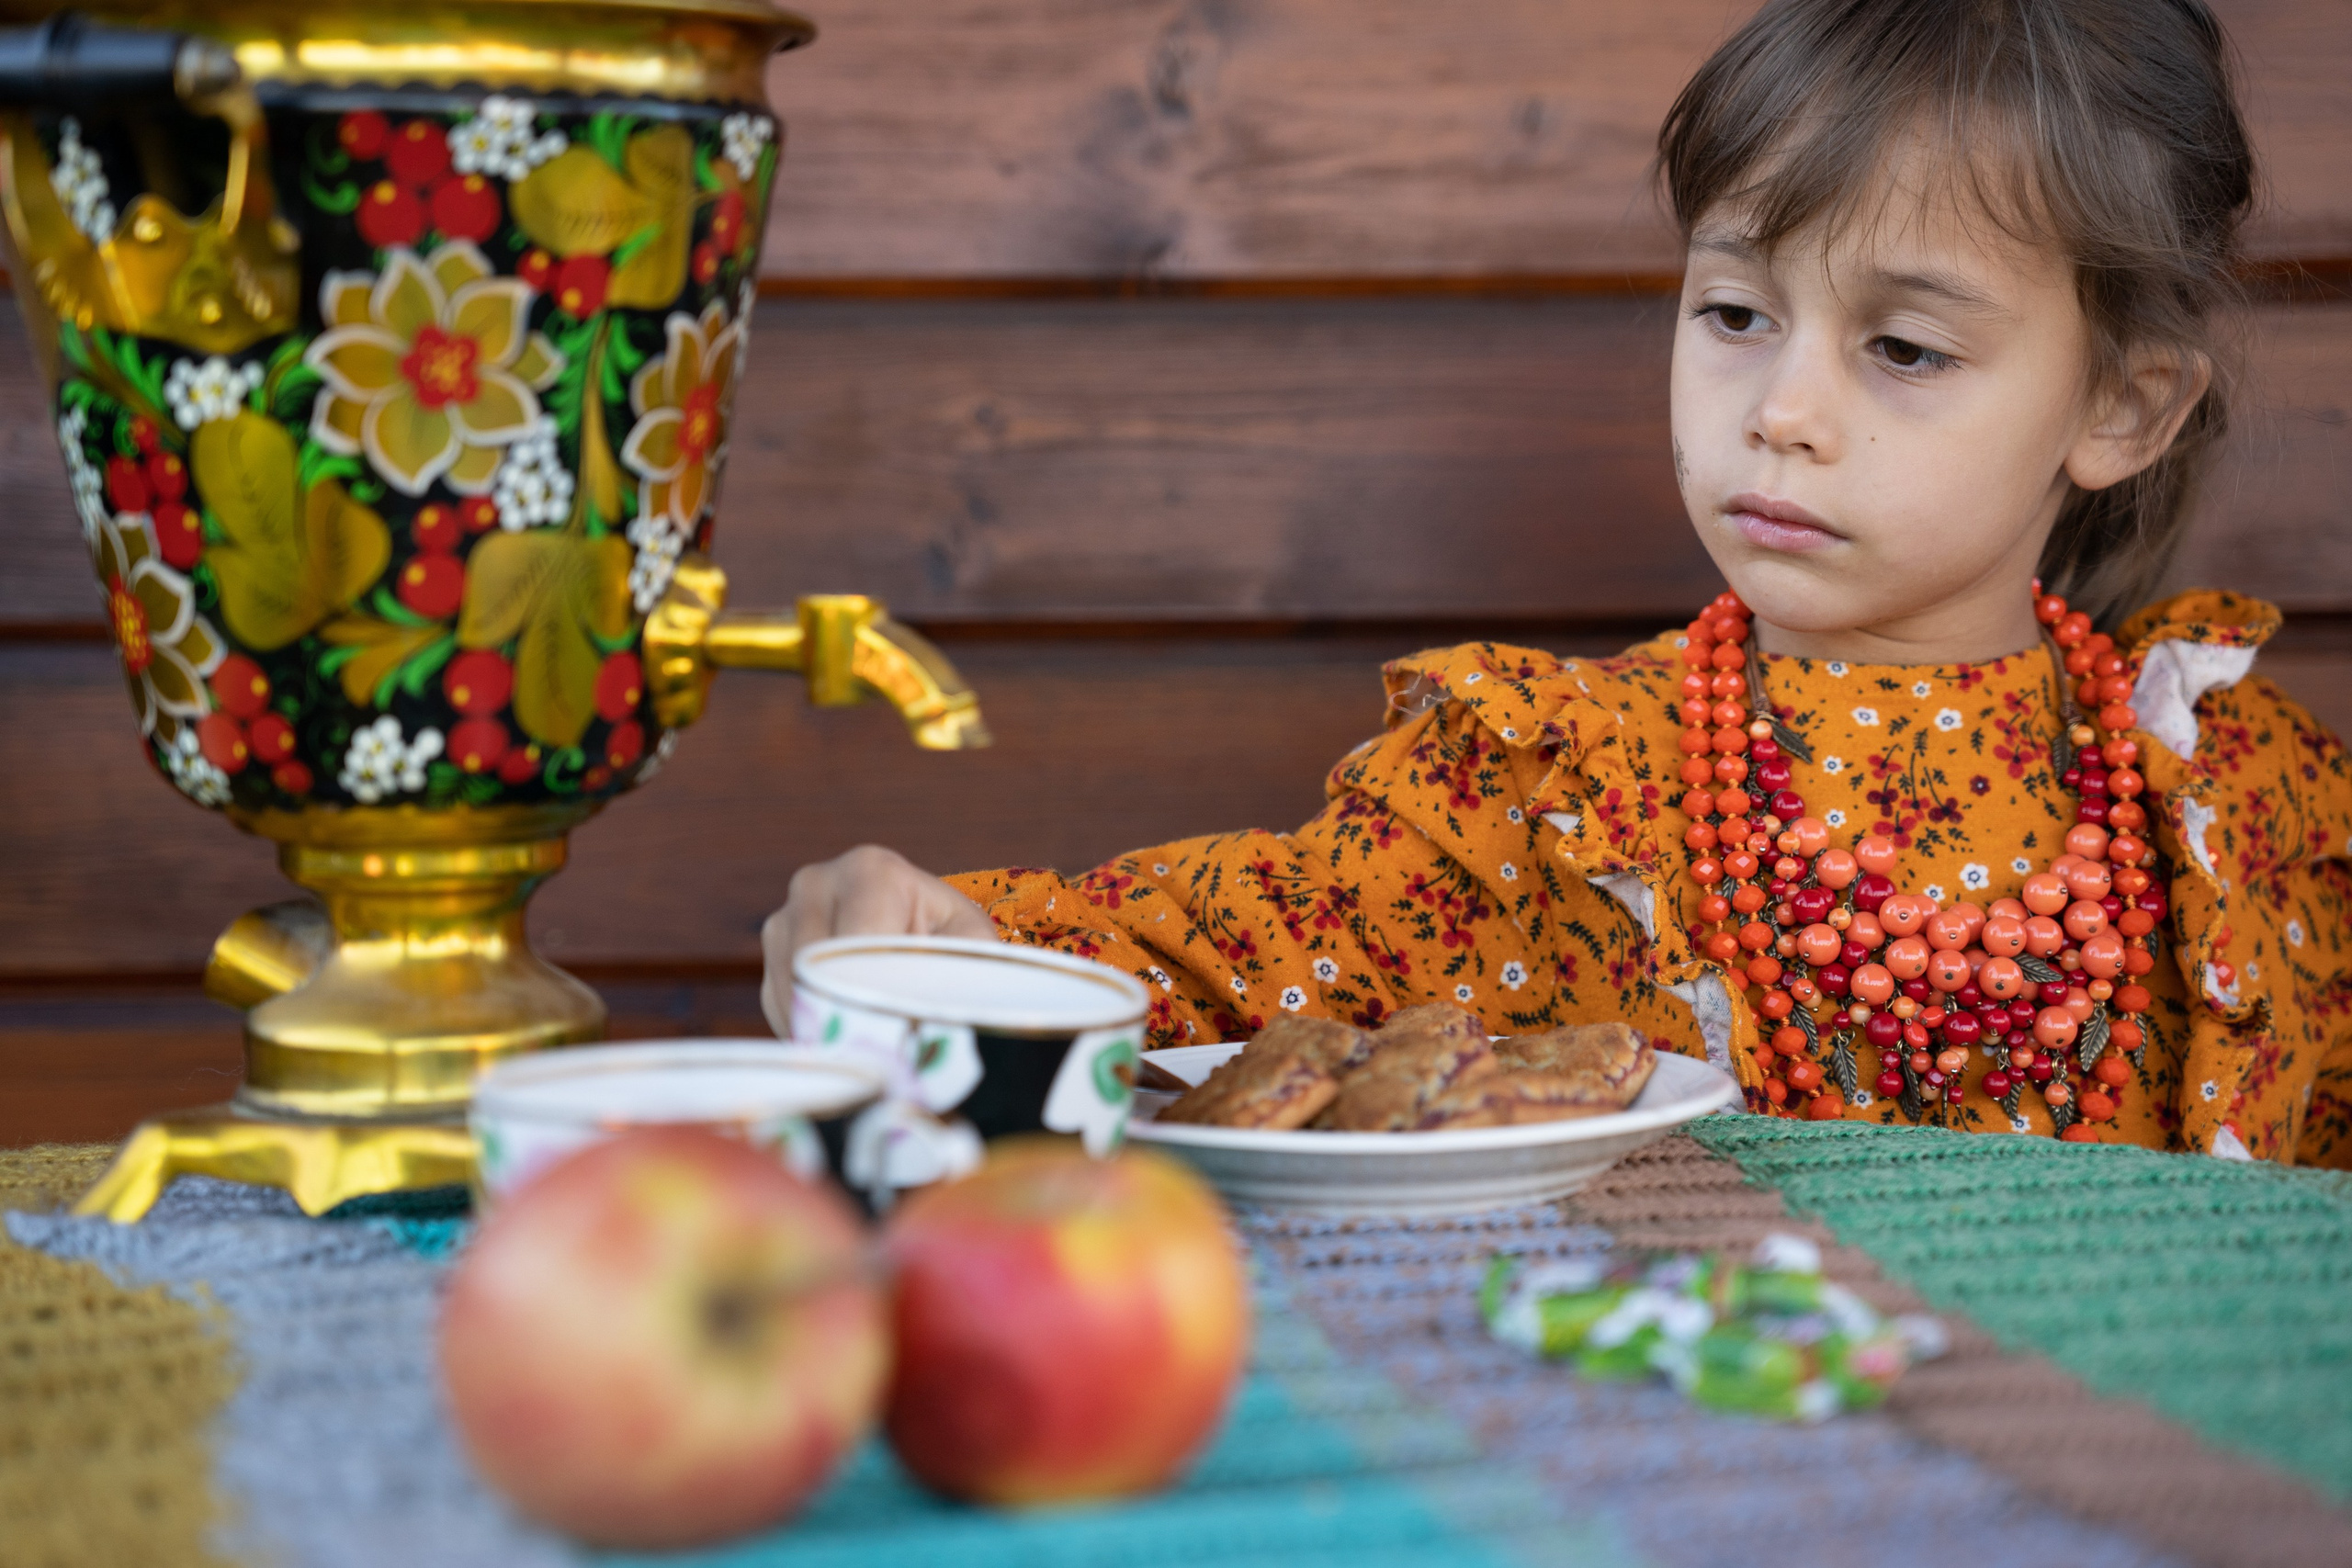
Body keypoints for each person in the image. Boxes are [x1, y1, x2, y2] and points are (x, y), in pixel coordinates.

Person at [762, 0, 2352, 1164]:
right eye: (1734, 312)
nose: (1782, 410)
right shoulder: (1545, 794)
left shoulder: (2255, 813)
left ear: (2120, 407)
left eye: (1907, 348)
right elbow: (1190, 961)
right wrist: (927, 937)